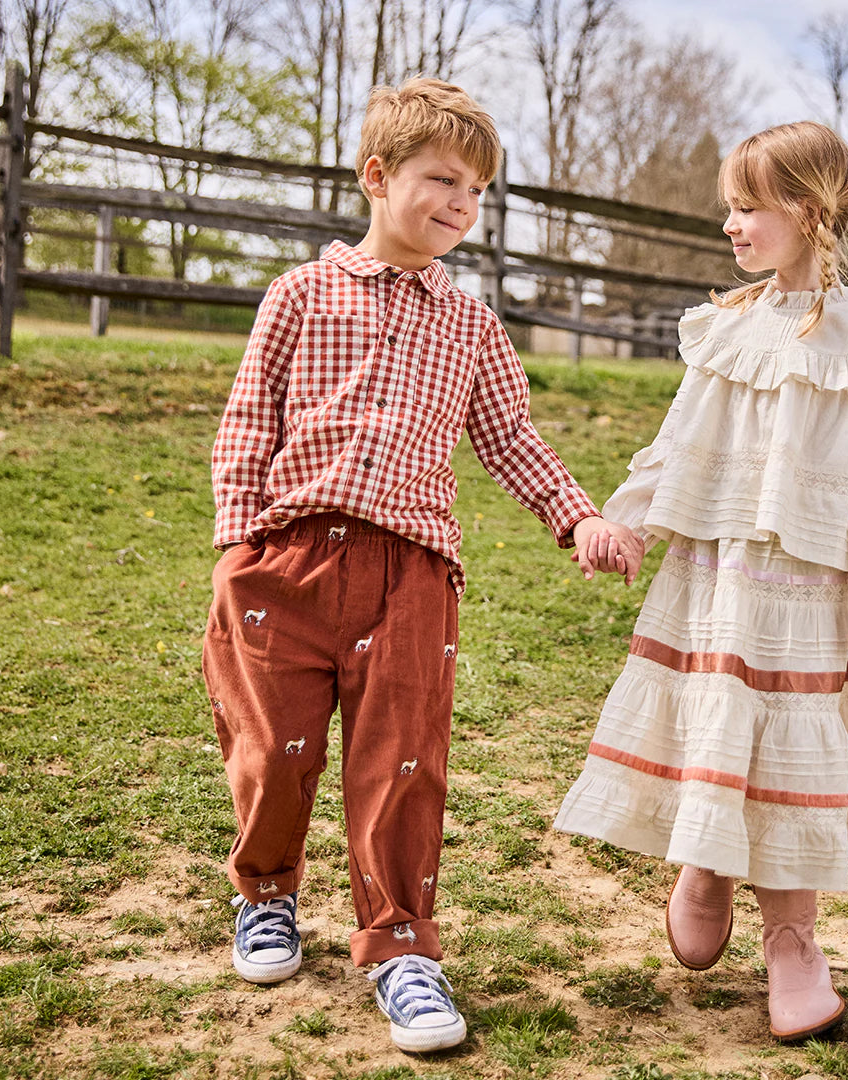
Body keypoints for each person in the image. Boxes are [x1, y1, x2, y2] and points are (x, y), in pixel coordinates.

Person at [202, 77, 641, 1055]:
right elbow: (246, 420)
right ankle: (266, 895)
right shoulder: (298, 295)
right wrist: (240, 545)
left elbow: (513, 442)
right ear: (377, 176)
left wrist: (578, 520)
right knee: (274, 752)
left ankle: (401, 944)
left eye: (477, 192)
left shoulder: (475, 328)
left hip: (411, 579)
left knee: (400, 764)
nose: (461, 204)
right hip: (288, 564)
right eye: (443, 179)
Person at [558, 121, 848, 1042]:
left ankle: (792, 941)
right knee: (719, 721)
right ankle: (705, 863)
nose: (731, 226)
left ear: (808, 212)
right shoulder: (723, 328)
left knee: (792, 754)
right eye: (729, 209)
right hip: (716, 570)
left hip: (811, 587)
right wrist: (627, 520)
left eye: (748, 208)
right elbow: (679, 442)